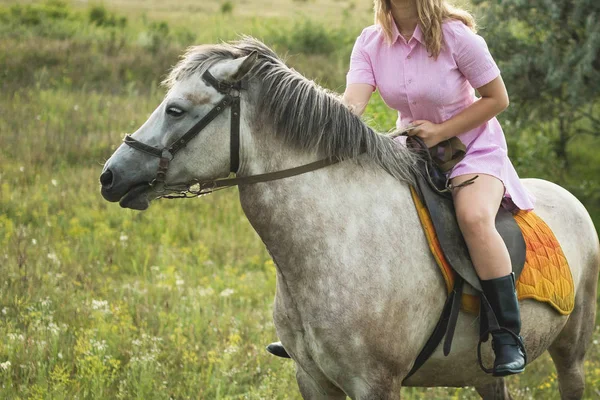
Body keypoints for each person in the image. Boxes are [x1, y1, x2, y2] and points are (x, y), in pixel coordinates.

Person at [267, 0, 534, 377]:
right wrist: (305, 119)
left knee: (473, 217)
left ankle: (507, 334)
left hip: (471, 149)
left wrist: (442, 131)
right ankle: (317, 330)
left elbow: (497, 99)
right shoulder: (371, 42)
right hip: (411, 150)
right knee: (353, 204)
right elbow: (352, 106)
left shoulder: (457, 36)